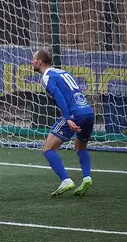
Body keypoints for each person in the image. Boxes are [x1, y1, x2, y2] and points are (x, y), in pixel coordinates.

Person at [32, 49, 95, 196]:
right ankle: (87, 177)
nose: (32, 62)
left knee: (47, 149)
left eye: (33, 59)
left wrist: (68, 118)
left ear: (39, 62)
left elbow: (60, 98)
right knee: (80, 147)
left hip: (74, 114)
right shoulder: (62, 72)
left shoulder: (47, 77)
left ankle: (65, 180)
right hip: (88, 111)